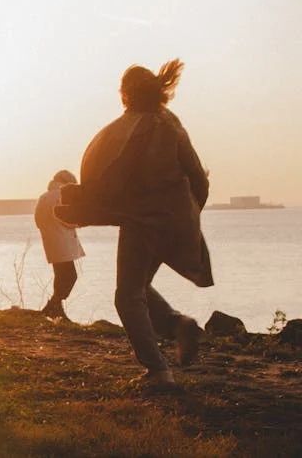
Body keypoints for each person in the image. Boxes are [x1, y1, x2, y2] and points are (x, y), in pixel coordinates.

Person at [55, 59, 212, 386]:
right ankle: (176, 325)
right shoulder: (171, 123)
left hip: (143, 221)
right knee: (138, 286)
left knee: (126, 296)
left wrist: (83, 202)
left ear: (126, 94)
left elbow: (112, 182)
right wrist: (190, 215)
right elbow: (198, 177)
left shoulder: (135, 130)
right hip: (174, 219)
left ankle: (158, 370)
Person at [34, 170, 85, 321]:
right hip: (63, 243)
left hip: (51, 243)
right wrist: (79, 223)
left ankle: (55, 309)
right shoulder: (62, 195)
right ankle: (53, 306)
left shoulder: (44, 197)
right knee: (70, 277)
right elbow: (68, 217)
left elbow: (38, 220)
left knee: (61, 277)